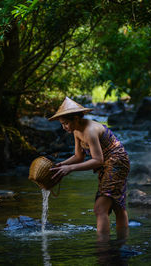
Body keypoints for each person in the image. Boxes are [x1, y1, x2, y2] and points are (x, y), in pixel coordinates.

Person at [49, 97, 130, 240]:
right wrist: (62, 164)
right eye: (62, 124)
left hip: (117, 162)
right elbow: (78, 156)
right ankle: (121, 242)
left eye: (66, 123)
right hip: (109, 163)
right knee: (117, 205)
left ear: (76, 118)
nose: (64, 127)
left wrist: (71, 169)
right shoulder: (76, 131)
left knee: (100, 208)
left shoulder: (90, 131)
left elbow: (98, 160)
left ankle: (103, 247)